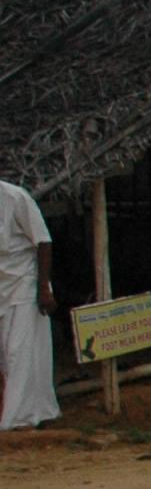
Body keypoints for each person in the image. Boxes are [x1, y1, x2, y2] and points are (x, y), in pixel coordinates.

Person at [0, 177, 57, 433]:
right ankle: (38, 411)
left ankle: (18, 420)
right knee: (6, 355)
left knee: (20, 351)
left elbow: (43, 241)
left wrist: (43, 287)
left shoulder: (15, 197)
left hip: (24, 283)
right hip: (2, 285)